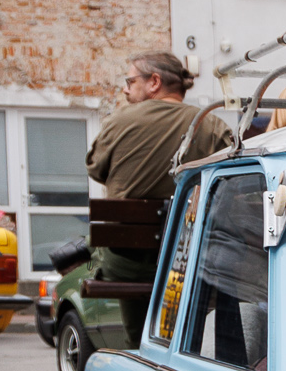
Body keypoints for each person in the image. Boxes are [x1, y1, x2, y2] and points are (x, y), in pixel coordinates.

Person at [85, 52, 231, 339]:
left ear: (154, 82)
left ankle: (138, 344)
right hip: (190, 262)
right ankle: (179, 345)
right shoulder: (211, 125)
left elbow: (96, 168)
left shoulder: (120, 121)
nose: (125, 89)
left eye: (130, 81)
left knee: (123, 260)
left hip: (127, 265)